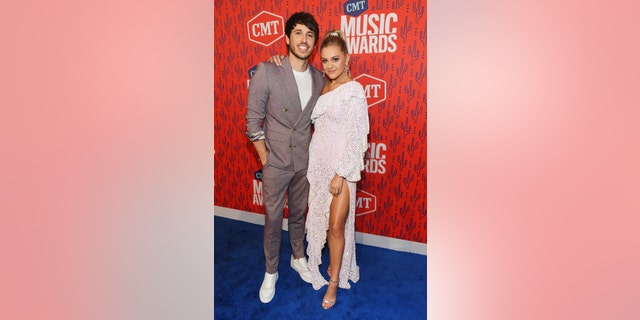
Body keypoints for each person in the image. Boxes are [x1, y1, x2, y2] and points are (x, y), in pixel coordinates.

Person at [245, 12, 325, 304]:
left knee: (299, 216)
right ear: (287, 38)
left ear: (315, 43)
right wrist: (265, 158)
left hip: (304, 161)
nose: (304, 40)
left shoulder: (319, 78)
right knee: (272, 217)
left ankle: (297, 256)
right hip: (275, 162)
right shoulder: (268, 70)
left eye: (310, 35)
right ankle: (270, 272)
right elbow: (253, 121)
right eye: (298, 33)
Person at [305, 30, 369, 309]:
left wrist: (341, 173)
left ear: (347, 59)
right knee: (322, 221)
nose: (330, 65)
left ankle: (333, 284)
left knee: (335, 226)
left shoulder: (354, 90)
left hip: (339, 169)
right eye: (325, 60)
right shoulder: (322, 88)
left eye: (335, 59)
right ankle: (333, 265)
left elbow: (357, 135)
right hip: (318, 166)